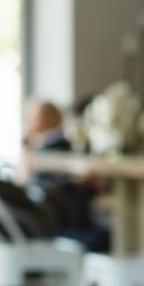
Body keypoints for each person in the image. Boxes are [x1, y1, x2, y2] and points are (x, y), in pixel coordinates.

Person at [21, 98, 109, 252]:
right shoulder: (45, 150)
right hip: (59, 226)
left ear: (47, 119)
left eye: (31, 118)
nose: (27, 123)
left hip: (51, 225)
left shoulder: (55, 148)